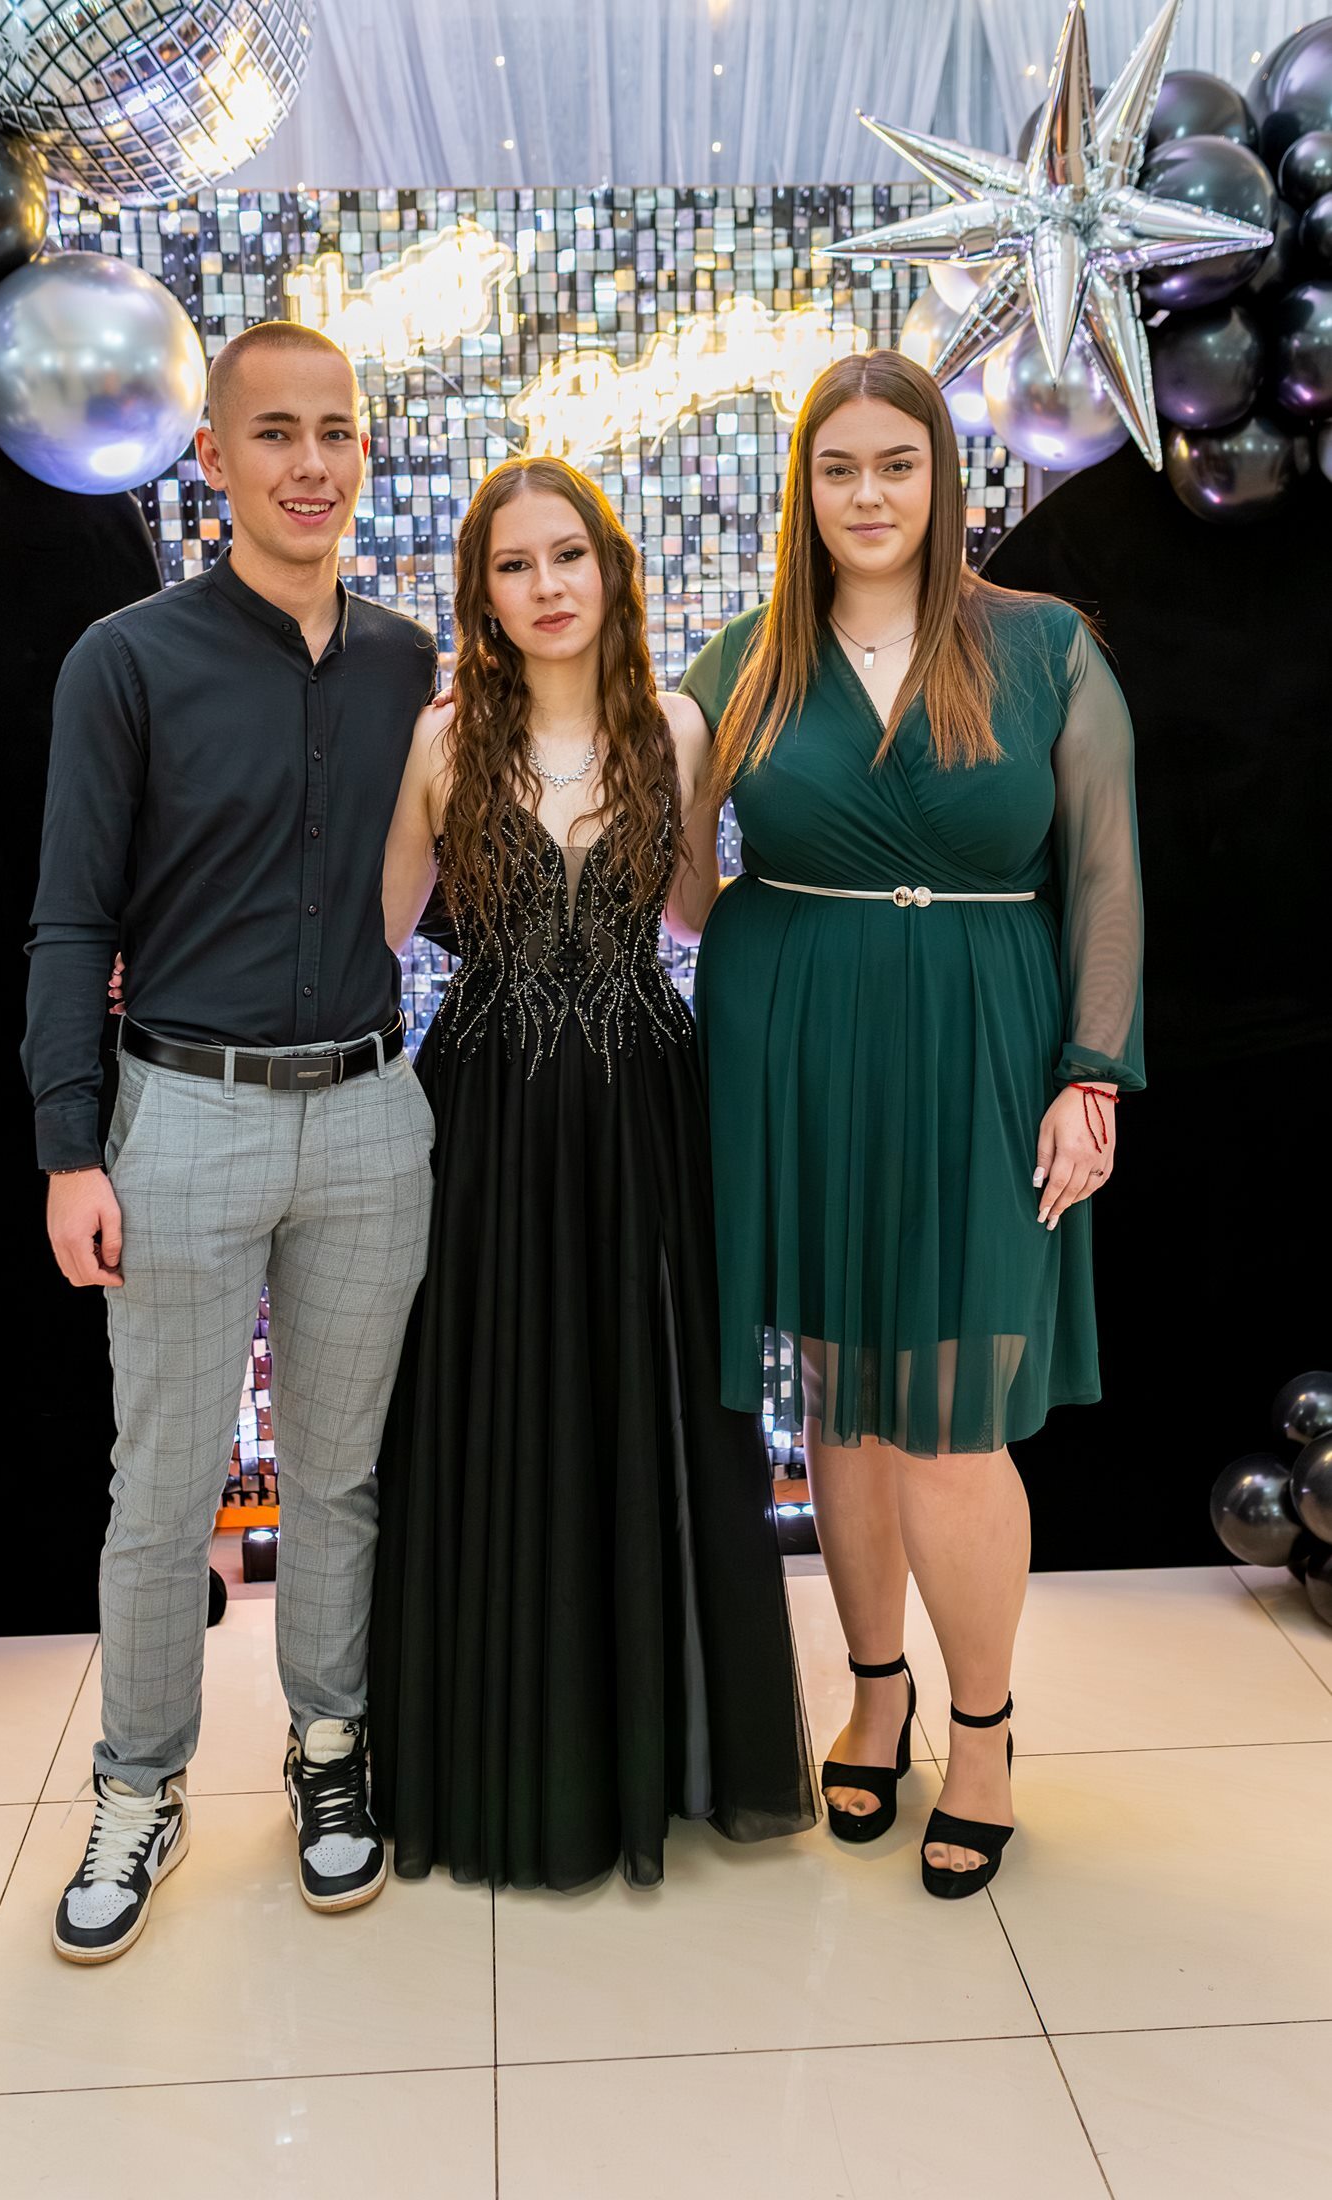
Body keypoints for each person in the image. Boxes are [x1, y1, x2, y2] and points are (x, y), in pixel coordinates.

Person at [680, 350, 1143, 1900]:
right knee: (841, 1394)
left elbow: (1106, 873)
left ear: (945, 477)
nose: (868, 494)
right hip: (801, 1052)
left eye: (898, 463)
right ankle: (877, 1693)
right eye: (838, 467)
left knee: (949, 1415)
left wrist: (1092, 1072)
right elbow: (666, 853)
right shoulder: (746, 660)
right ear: (801, 489)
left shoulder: (1045, 645)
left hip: (985, 1046)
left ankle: (985, 1731)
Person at [22, 322, 438, 1962]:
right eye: (275, 433)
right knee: (164, 1491)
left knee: (339, 1478)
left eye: (336, 431)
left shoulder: (408, 662)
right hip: (180, 1118)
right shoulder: (123, 661)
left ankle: (328, 1755)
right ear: (213, 457)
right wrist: (70, 1147)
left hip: (371, 1117)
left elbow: (441, 874)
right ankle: (137, 1787)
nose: (311, 463)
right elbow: (71, 920)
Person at [371, 454, 816, 1891]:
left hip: (644, 1116)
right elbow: (372, 935)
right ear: (482, 595)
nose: (546, 586)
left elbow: (695, 914)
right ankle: (495, 1751)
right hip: (485, 1123)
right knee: (496, 1400)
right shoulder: (439, 741)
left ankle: (653, 1752)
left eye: (567, 555)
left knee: (648, 1407)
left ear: (612, 568)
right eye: (514, 565)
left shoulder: (678, 726)